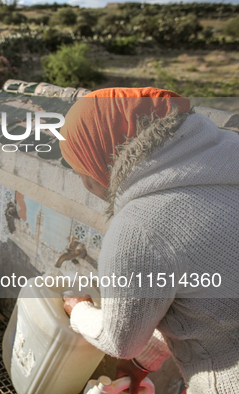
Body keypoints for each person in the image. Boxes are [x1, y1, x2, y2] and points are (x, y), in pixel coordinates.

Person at [58, 87, 239, 394]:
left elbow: (120, 339)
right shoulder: (227, 157)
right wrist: (144, 363)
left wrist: (78, 310)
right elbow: (205, 303)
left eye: (80, 169)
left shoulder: (139, 229)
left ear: (99, 159)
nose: (84, 181)